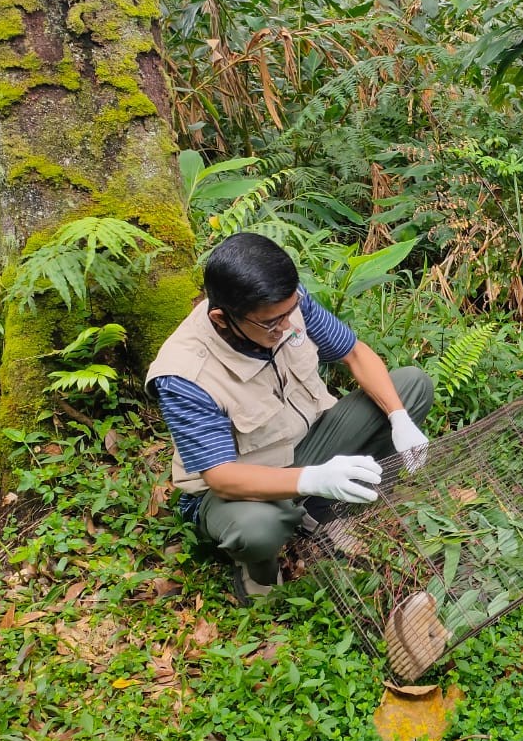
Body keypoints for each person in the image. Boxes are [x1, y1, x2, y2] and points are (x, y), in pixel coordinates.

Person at [147, 232, 434, 603]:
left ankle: (322, 513)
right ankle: (257, 571)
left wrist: (399, 419)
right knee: (259, 528)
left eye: (289, 312)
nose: (285, 326)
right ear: (222, 318)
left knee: (410, 387)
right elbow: (221, 478)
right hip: (239, 488)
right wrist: (314, 477)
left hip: (307, 442)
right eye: (271, 323)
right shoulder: (184, 375)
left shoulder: (285, 306)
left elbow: (355, 354)